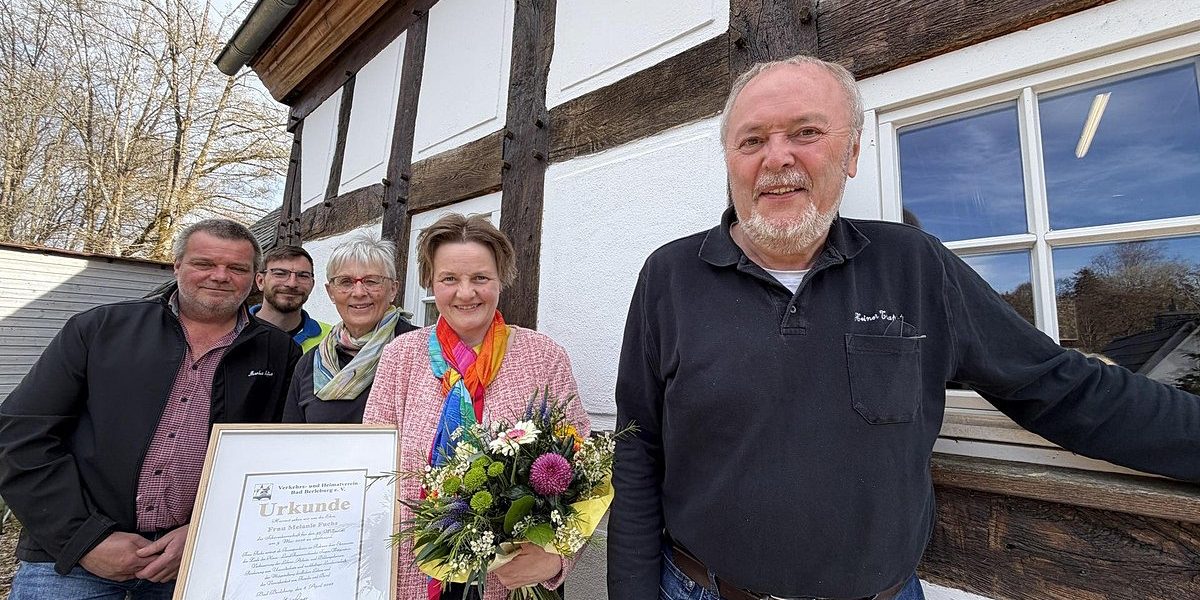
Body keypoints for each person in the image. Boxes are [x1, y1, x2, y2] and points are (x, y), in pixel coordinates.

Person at [608, 55, 1200, 600]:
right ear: (731, 159)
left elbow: (1061, 386)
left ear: (853, 153)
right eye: (752, 140)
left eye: (807, 133)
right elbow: (637, 448)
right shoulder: (670, 276)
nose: (777, 157)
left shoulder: (914, 265)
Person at [0, 219, 300, 599]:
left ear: (255, 278)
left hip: (193, 558)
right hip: (72, 560)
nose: (220, 276)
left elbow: (272, 459)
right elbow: (22, 435)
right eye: (204, 263)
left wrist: (202, 532)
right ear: (177, 266)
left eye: (236, 268)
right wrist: (85, 539)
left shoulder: (277, 352)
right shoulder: (100, 329)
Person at [363, 213, 591, 599]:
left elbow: (583, 472)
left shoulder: (543, 356)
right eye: (449, 278)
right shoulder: (400, 356)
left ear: (501, 280)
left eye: (480, 278)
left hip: (508, 580)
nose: (465, 293)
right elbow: (368, 463)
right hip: (411, 575)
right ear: (431, 284)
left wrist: (557, 558)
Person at [283, 235, 417, 423]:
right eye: (346, 282)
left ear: (393, 290)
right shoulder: (309, 364)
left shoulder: (423, 351)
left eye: (372, 281)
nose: (359, 292)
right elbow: (292, 442)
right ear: (331, 292)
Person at [251, 245, 331, 352]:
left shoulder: (332, 340)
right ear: (260, 281)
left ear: (312, 284)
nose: (292, 283)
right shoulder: (231, 332)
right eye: (280, 274)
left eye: (303, 276)